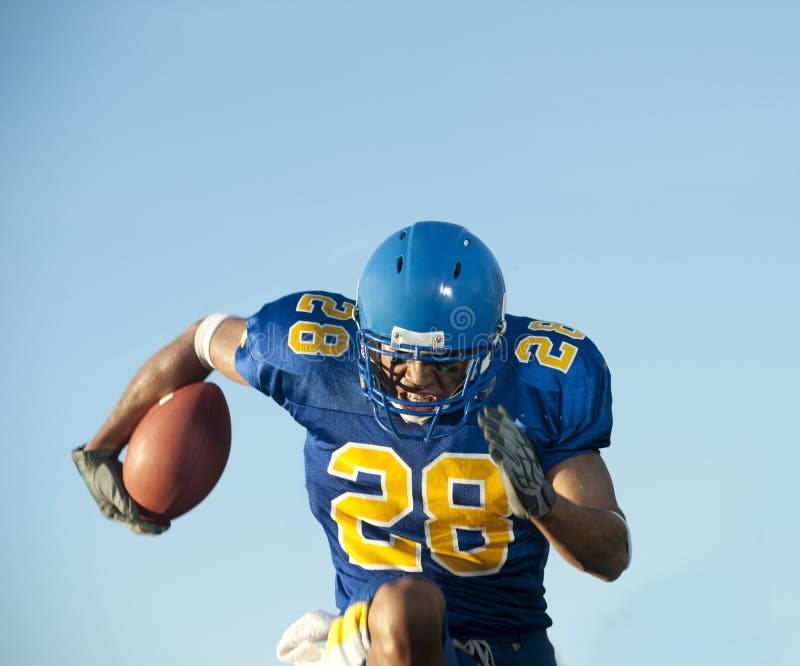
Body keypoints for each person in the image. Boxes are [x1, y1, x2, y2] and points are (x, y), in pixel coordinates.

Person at [73, 221, 630, 666]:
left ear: (490, 349)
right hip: (377, 642)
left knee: (407, 608)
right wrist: (102, 449)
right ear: (363, 338)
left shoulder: (543, 383)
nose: (415, 376)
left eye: (443, 362)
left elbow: (610, 555)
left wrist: (543, 505)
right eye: (397, 355)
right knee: (405, 607)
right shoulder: (314, 356)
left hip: (507, 652)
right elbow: (202, 339)